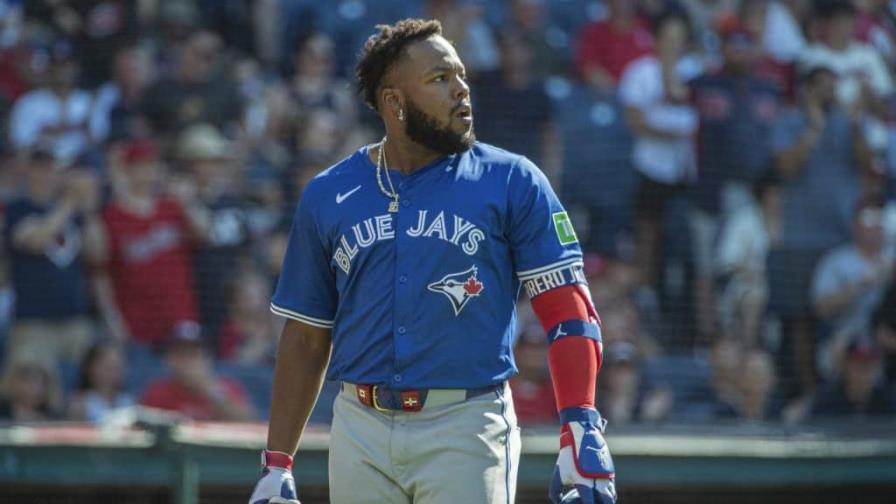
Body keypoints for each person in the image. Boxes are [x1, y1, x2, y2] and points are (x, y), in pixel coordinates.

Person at [249, 19, 615, 504]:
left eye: (461, 75)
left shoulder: (512, 180)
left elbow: (569, 312)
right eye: (440, 79)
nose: (462, 89)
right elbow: (306, 339)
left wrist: (580, 421)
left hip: (464, 425)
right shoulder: (328, 194)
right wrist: (277, 464)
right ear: (394, 102)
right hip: (359, 427)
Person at [139, 320, 255, 422]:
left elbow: (248, 423)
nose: (187, 362)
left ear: (208, 359)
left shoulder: (227, 387)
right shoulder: (156, 392)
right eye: (181, 355)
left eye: (193, 355)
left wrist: (212, 392)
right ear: (168, 360)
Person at [66, 340, 135, 423]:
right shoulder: (80, 404)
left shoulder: (128, 402)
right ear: (90, 368)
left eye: (117, 367)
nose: (112, 372)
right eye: (107, 367)